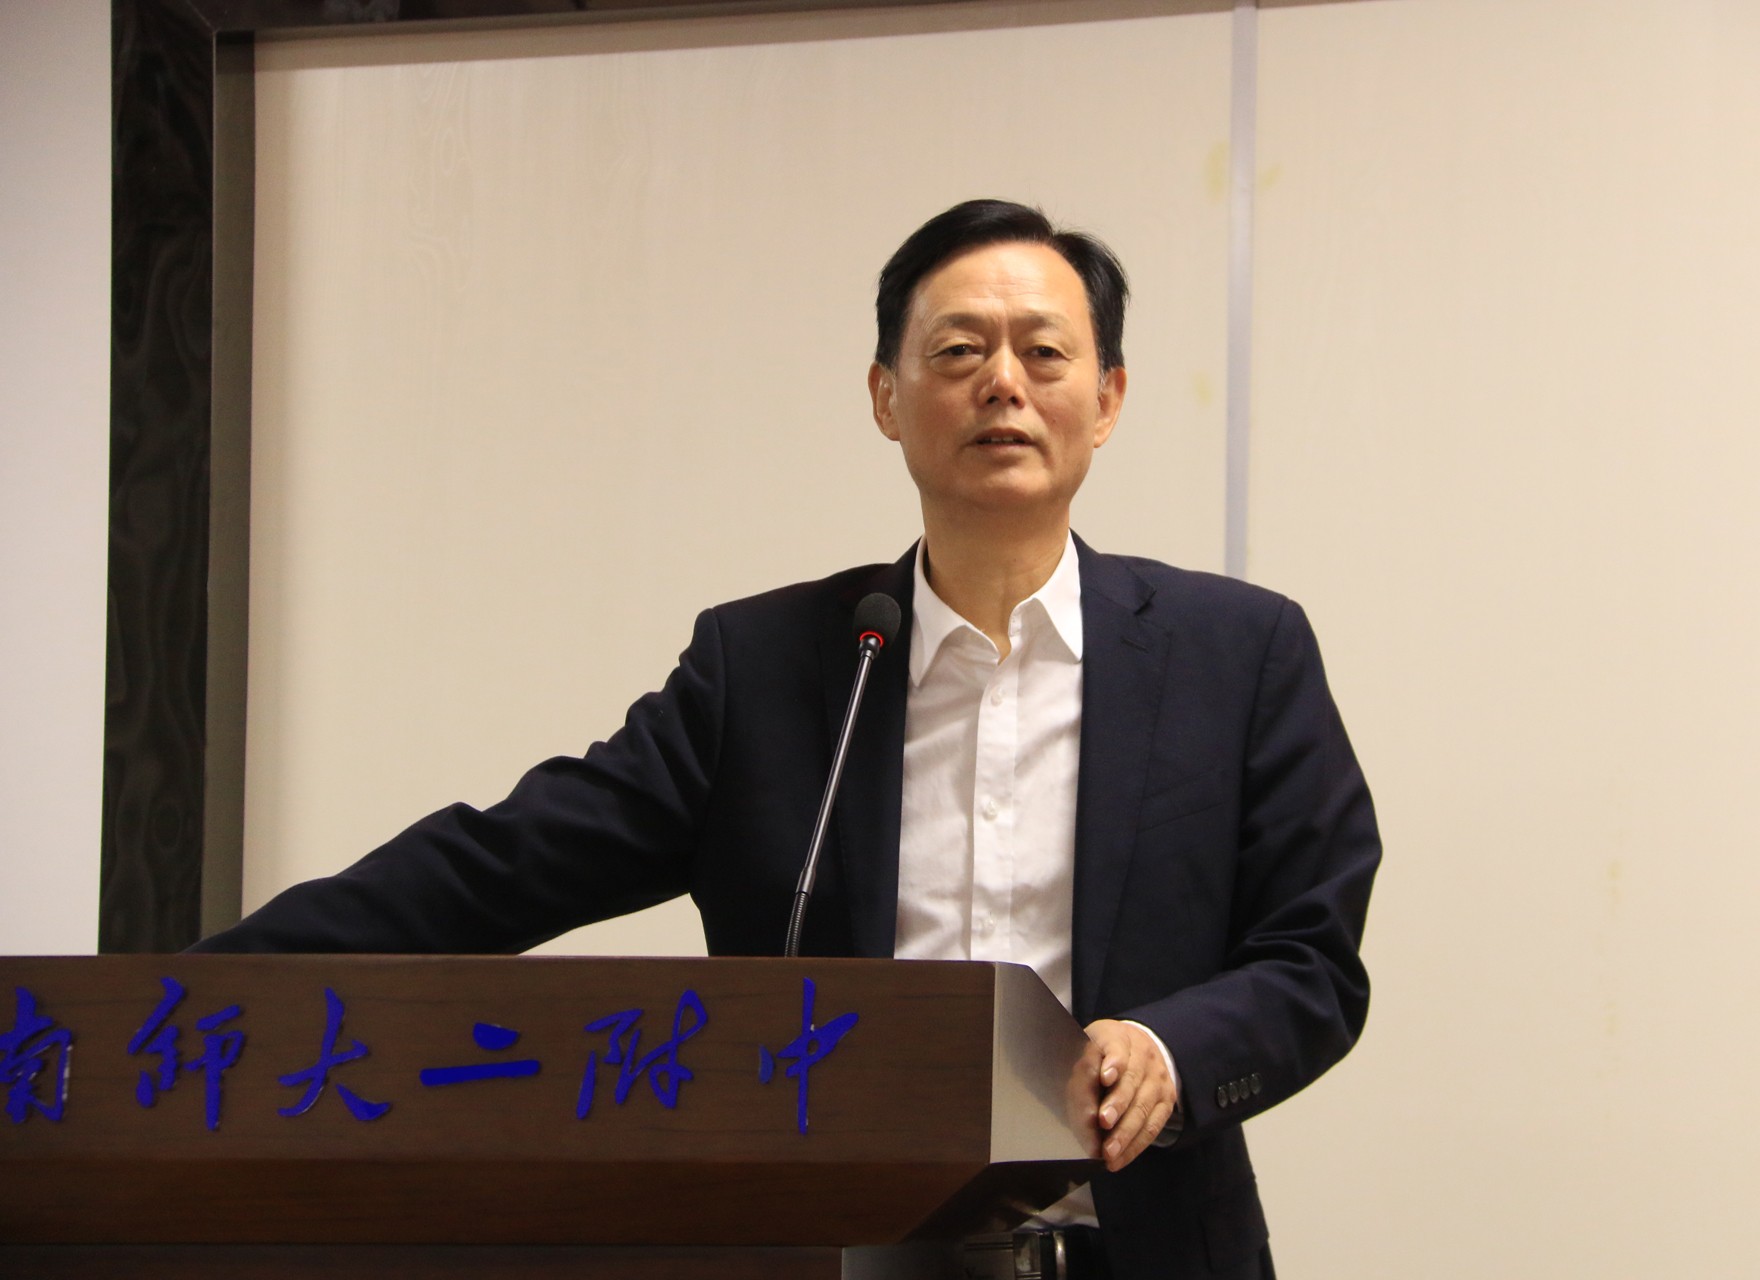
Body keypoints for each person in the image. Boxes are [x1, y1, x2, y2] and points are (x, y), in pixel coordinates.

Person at [193, 199, 1381, 1279]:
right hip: (837, 1252)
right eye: (958, 351)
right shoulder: (770, 668)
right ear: (885, 397)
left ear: (1108, 398)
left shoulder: (1239, 654)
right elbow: (502, 865)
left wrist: (1171, 1048)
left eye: (1044, 352)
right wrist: (197, 988)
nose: (1002, 384)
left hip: (1147, 1248)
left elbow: (1311, 958)